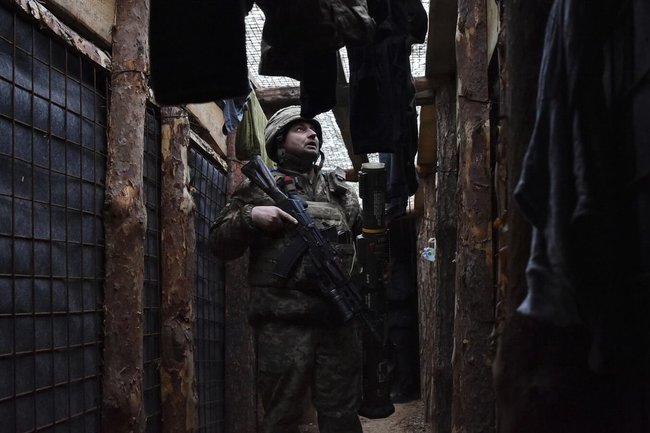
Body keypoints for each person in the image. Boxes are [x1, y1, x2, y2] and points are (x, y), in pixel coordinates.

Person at [210, 105, 365, 433]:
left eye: (314, 130)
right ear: (279, 141)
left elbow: (356, 245)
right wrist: (251, 217)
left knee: (342, 414)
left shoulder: (341, 192)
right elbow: (219, 242)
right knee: (282, 416)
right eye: (300, 129)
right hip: (283, 323)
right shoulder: (258, 188)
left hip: (336, 319)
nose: (312, 134)